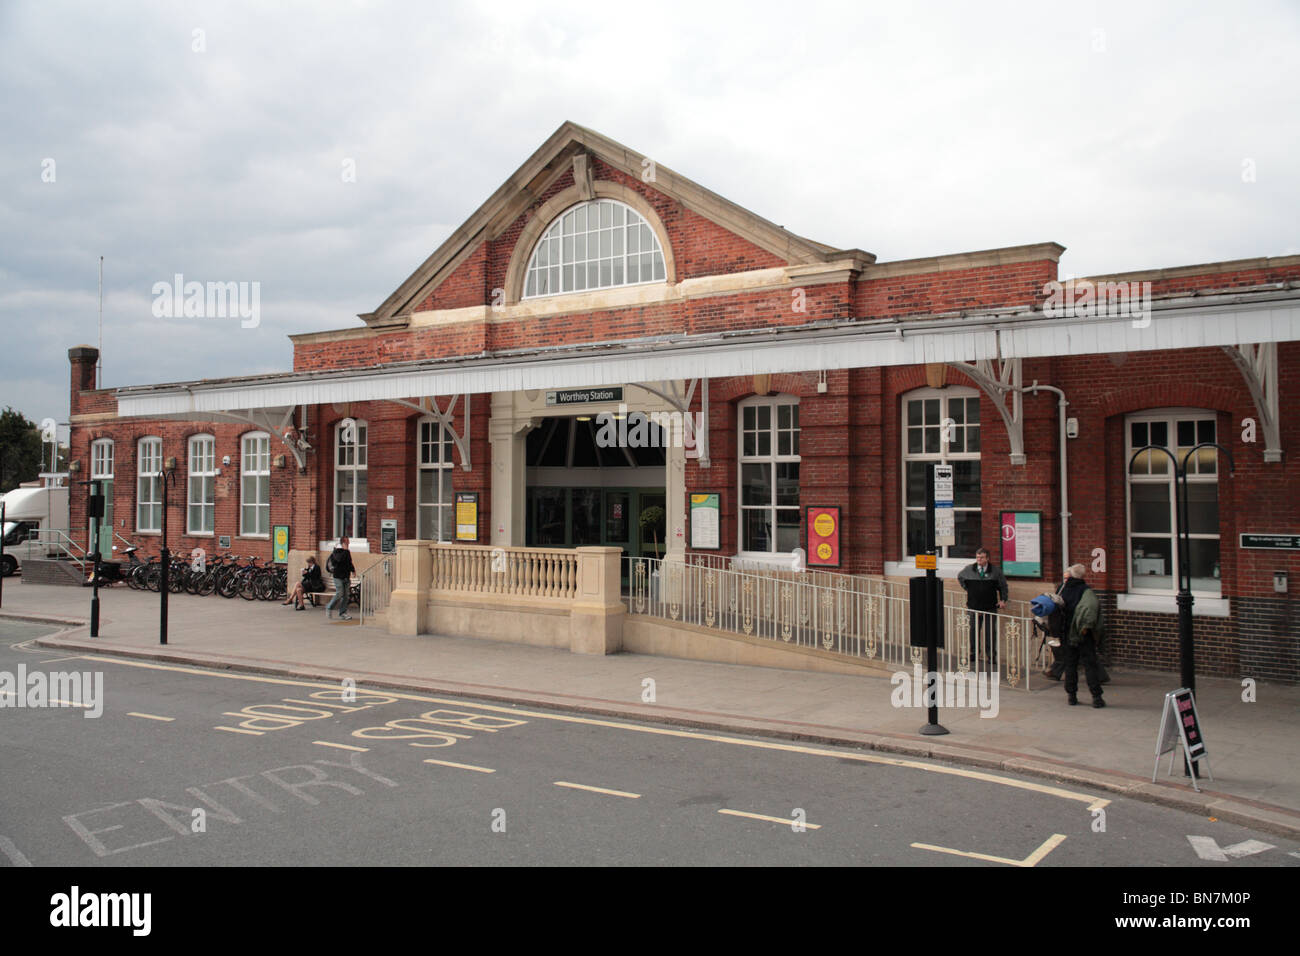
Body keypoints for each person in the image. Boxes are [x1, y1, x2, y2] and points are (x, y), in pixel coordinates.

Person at [1060, 563, 1106, 707]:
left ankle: (1071, 696)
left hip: (1066, 632)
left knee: (1070, 665)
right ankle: (1096, 697)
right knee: (1090, 664)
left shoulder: (1062, 589)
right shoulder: (1086, 591)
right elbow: (1091, 611)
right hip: (1083, 633)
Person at [957, 547, 1008, 669]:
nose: (979, 559)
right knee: (973, 631)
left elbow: (1003, 586)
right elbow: (960, 578)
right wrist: (968, 589)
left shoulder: (995, 571)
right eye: (978, 557)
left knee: (990, 633)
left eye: (982, 557)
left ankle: (991, 656)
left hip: (989, 606)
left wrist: (1003, 599)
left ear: (987, 559)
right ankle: (974, 654)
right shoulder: (969, 569)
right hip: (974, 606)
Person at [325, 537, 355, 621]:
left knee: (346, 596)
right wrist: (345, 550)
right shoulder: (336, 551)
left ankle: (343, 613)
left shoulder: (347, 552)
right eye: (347, 543)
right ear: (343, 543)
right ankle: (329, 607)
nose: (348, 544)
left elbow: (349, 562)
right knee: (340, 593)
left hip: (346, 576)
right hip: (338, 576)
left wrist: (353, 570)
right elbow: (339, 559)